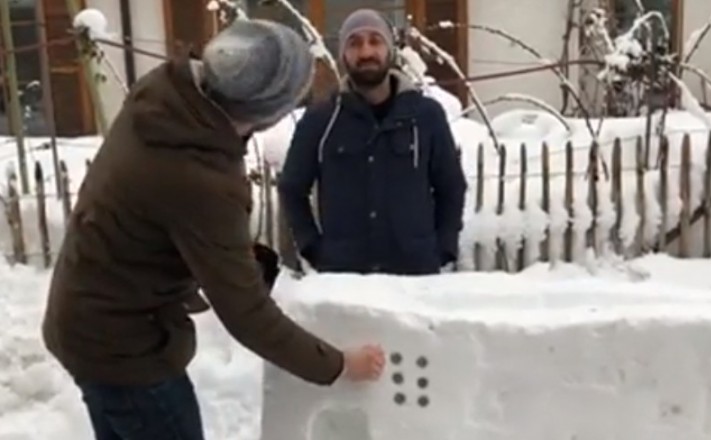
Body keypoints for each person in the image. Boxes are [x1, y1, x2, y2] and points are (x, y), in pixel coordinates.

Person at [41, 19, 385, 440]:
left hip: (85, 320)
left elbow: (154, 217)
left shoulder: (168, 99)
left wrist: (218, 252)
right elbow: (248, 317)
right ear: (268, 111)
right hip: (124, 350)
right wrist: (338, 364)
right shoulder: (200, 176)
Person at [278, 8, 468, 276]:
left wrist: (443, 249)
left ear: (390, 50)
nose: (366, 52)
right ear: (343, 54)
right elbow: (291, 188)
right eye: (354, 43)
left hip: (415, 277)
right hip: (346, 277)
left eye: (375, 41)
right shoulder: (322, 119)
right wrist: (313, 248)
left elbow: (451, 187)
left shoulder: (425, 116)